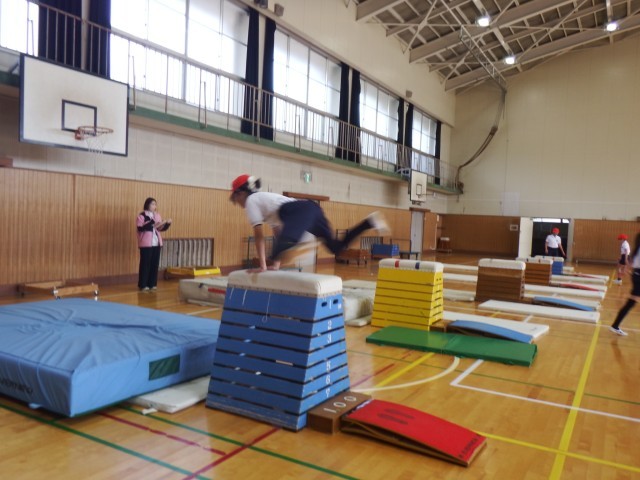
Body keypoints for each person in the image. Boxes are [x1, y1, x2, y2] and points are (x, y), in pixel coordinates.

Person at [229, 174, 390, 272]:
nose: (238, 203)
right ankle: (369, 222)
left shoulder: (251, 201)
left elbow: (259, 237)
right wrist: (276, 264)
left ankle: (301, 245)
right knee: (336, 248)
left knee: (283, 247)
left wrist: (263, 267)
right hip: (312, 209)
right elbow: (278, 233)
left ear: (241, 193)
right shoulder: (264, 204)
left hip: (297, 211)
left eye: (236, 199)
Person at [136, 197, 171, 291]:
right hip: (146, 243)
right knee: (145, 264)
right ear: (147, 205)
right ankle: (143, 284)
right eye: (152, 204)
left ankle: (152, 284)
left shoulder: (157, 215)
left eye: (155, 204)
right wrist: (152, 222)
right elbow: (140, 228)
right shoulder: (142, 215)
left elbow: (159, 228)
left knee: (154, 264)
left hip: (156, 243)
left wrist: (166, 224)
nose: (154, 206)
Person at [610, 232, 640, 336]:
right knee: (631, 303)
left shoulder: (637, 248)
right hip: (638, 276)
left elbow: (631, 261)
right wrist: (626, 268)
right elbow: (631, 260)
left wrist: (626, 269)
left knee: (631, 302)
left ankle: (615, 325)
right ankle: (615, 325)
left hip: (636, 275)